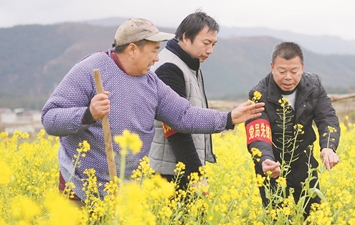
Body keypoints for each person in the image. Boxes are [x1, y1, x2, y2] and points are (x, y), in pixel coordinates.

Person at [42, 18, 264, 203]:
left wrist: (228, 118)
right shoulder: (92, 70)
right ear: (132, 50)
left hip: (126, 192)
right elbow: (50, 118)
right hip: (80, 186)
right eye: (153, 50)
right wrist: (88, 114)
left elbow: (184, 115)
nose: (157, 57)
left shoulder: (150, 83)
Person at [245, 41, 340, 217]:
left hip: (304, 161)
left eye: (294, 71)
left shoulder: (314, 86)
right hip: (272, 165)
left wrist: (328, 146)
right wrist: (265, 159)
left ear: (302, 67)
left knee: (313, 218)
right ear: (272, 67)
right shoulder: (259, 93)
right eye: (282, 71)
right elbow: (259, 131)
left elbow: (327, 117)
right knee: (279, 223)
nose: (288, 77)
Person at [148, 11, 219, 191]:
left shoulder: (187, 64)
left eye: (213, 44)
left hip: (180, 168)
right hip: (171, 173)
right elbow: (175, 126)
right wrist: (195, 174)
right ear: (186, 38)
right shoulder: (170, 68)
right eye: (206, 43)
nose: (210, 50)